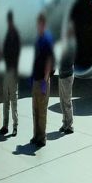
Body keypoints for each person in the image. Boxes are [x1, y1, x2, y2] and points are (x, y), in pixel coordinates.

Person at [30, 13, 54, 147]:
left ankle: (42, 138)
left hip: (43, 81)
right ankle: (36, 135)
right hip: (36, 80)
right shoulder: (37, 39)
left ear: (43, 24)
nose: (38, 26)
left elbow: (49, 62)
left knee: (42, 111)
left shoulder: (47, 40)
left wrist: (45, 82)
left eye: (40, 24)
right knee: (35, 110)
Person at [0, 10, 20, 137]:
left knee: (13, 100)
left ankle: (15, 125)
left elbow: (16, 55)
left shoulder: (15, 35)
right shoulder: (7, 34)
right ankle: (5, 125)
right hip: (6, 72)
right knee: (6, 100)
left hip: (12, 72)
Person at [57, 21, 77, 134]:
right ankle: (65, 122)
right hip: (62, 74)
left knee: (67, 101)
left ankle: (69, 125)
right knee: (62, 100)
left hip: (67, 75)